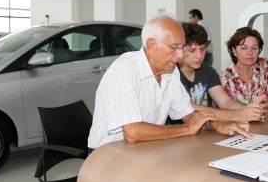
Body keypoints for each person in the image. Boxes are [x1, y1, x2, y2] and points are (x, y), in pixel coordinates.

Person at [88, 15, 250, 150]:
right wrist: (187, 129)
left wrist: (218, 125)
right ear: (152, 45)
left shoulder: (169, 71)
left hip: (144, 148)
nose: (180, 55)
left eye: (181, 47)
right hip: (108, 154)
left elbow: (187, 114)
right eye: (174, 47)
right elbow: (133, 132)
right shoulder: (124, 69)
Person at [177, 22, 266, 123]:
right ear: (179, 49)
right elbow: (190, 107)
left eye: (202, 49)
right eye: (192, 50)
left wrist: (249, 109)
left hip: (197, 131)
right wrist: (238, 115)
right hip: (171, 132)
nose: (199, 56)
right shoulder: (171, 74)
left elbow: (224, 102)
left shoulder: (208, 71)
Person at [220, 26, 268, 108]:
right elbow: (219, 110)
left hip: (267, 119)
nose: (250, 52)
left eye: (254, 48)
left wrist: (261, 105)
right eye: (244, 48)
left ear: (259, 50)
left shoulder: (264, 67)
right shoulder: (224, 78)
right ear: (234, 51)